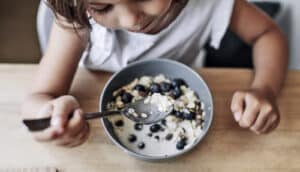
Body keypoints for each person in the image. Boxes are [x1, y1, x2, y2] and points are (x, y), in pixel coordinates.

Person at [21, 0, 288, 147]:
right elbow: (40, 97)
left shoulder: (211, 4)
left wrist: (264, 89)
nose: (130, 20)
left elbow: (268, 34)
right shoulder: (78, 17)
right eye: (102, 7)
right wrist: (48, 118)